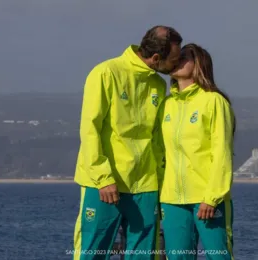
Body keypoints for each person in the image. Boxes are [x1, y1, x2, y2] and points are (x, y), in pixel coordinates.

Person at [73, 25, 182, 260]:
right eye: (173, 60)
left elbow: (155, 139)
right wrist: (102, 178)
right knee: (92, 252)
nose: (177, 65)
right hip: (103, 184)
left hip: (145, 185)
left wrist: (160, 182)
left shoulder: (158, 85)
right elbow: (89, 129)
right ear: (155, 58)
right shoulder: (105, 73)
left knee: (143, 254)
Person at [153, 43, 236, 260]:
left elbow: (222, 153)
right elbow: (160, 153)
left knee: (219, 256)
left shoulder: (214, 101)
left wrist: (212, 197)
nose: (177, 60)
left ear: (199, 63)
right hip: (171, 200)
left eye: (183, 57)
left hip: (206, 198)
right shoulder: (166, 105)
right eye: (175, 57)